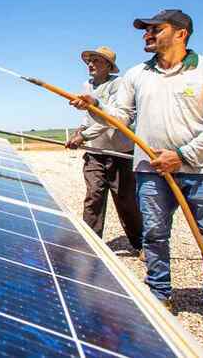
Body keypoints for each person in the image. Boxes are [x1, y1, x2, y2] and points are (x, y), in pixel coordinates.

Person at [70, 9, 203, 354]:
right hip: (151, 173)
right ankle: (158, 296)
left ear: (181, 33)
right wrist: (93, 106)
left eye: (154, 29)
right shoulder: (138, 75)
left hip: (202, 172)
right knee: (153, 235)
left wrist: (182, 154)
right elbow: (120, 115)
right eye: (145, 30)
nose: (146, 35)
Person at [65, 46, 143, 258]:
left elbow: (113, 120)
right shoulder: (87, 86)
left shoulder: (119, 84)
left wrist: (85, 136)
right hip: (95, 152)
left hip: (119, 152)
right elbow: (88, 117)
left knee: (125, 200)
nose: (90, 65)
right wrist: (78, 133)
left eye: (96, 61)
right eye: (89, 61)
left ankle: (140, 243)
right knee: (93, 197)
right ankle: (90, 245)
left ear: (109, 65)